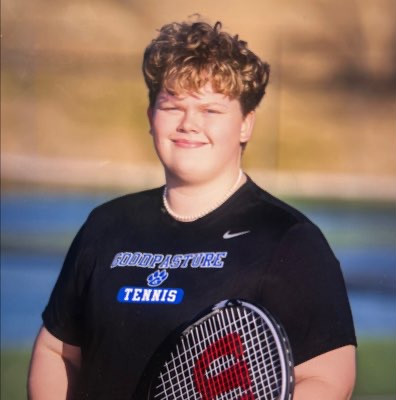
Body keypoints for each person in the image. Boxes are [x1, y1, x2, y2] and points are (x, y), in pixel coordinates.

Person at [28, 20, 357, 399]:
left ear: (246, 124)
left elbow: (327, 378)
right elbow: (57, 352)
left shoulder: (288, 238)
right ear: (151, 117)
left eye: (210, 110)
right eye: (172, 106)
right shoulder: (106, 224)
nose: (189, 124)